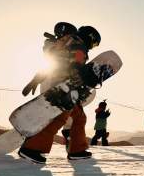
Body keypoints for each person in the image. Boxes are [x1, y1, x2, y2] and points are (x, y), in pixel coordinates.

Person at [18, 24, 102, 164]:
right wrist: (85, 78)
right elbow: (77, 64)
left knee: (79, 118)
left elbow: (53, 62)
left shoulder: (65, 43)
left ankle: (77, 150)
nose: (92, 47)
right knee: (58, 118)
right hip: (66, 87)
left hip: (59, 84)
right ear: (90, 38)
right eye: (93, 44)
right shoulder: (79, 46)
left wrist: (36, 79)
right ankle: (31, 149)